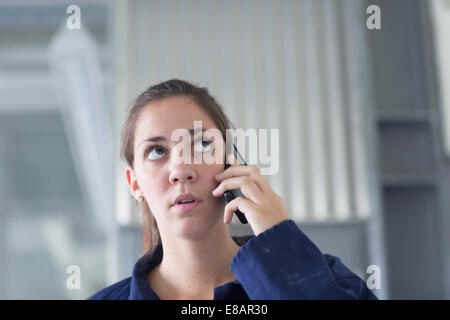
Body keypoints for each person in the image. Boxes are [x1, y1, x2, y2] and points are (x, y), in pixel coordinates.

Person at [88, 79, 378, 300]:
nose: (180, 170)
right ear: (134, 183)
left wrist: (279, 247)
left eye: (202, 145)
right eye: (156, 151)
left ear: (230, 162)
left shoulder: (330, 281)